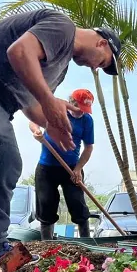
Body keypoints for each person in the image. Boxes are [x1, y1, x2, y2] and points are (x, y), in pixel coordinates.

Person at [0, 9, 121, 272]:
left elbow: (30, 104)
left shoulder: (60, 67)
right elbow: (19, 52)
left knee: (6, 162)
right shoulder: (63, 27)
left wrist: (55, 123)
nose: (96, 68)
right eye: (104, 63)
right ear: (102, 42)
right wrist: (50, 102)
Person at [30, 89, 95, 240]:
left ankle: (86, 243)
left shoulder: (87, 120)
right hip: (46, 168)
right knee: (46, 203)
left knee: (77, 203)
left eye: (85, 110)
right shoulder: (56, 110)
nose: (81, 113)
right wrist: (37, 131)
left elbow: (89, 147)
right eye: (79, 109)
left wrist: (78, 169)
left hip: (72, 169)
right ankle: (47, 243)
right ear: (71, 103)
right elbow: (33, 120)